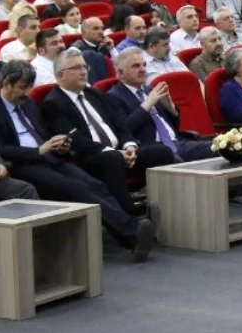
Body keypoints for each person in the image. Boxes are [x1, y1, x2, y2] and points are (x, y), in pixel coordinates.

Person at [0, 61, 156, 261]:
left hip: (50, 158)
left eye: (30, 87)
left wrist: (60, 145)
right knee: (74, 188)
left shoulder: (28, 103)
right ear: (6, 84)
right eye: (22, 87)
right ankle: (132, 235)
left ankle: (131, 230)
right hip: (23, 165)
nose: (28, 93)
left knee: (94, 185)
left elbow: (43, 133)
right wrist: (38, 151)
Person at [41, 48, 177, 213]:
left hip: (120, 152)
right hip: (92, 158)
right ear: (61, 74)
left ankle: (169, 211)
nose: (83, 72)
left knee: (161, 151)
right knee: (112, 159)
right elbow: (77, 141)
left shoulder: (95, 94)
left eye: (85, 67)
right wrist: (115, 152)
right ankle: (129, 219)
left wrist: (129, 145)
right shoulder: (54, 103)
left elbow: (120, 126)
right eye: (76, 68)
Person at [105, 48, 215, 161]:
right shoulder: (113, 96)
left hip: (176, 143)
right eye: (136, 66)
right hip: (152, 149)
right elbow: (125, 129)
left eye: (144, 65)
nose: (143, 70)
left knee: (219, 147)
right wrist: (146, 105)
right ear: (121, 73)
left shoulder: (149, 90)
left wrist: (171, 109)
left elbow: (175, 127)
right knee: (175, 160)